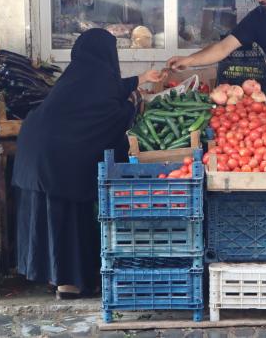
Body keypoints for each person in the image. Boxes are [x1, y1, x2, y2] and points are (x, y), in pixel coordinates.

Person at [12, 29, 164, 299]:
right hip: (57, 159)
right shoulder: (99, 79)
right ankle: (68, 284)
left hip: (35, 150)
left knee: (45, 216)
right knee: (66, 217)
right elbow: (113, 116)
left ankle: (53, 275)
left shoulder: (77, 75)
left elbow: (109, 91)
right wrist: (134, 104)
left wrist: (141, 80)